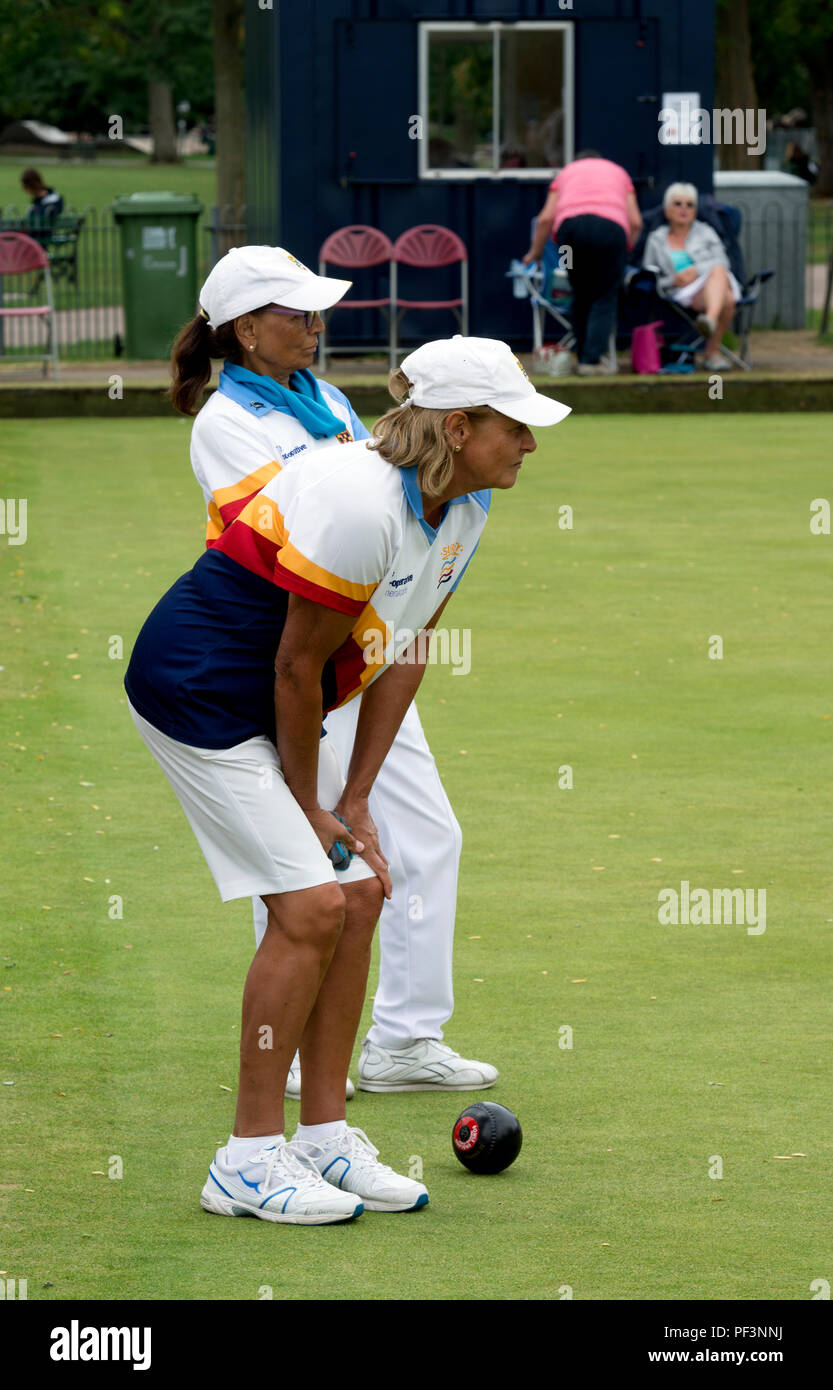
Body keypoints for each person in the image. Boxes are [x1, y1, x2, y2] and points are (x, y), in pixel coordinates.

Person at [124, 335, 571, 1224]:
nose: (529, 445)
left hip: (284, 696)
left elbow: (400, 650)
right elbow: (294, 668)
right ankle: (246, 1161)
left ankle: (323, 1140)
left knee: (361, 891)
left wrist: (356, 798)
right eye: (515, 427)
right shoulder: (358, 501)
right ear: (456, 425)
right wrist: (306, 802)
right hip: (200, 692)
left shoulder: (466, 502)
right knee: (313, 906)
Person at [170, 244, 502, 1099]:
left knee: (427, 836)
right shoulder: (224, 421)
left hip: (374, 647)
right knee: (299, 860)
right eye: (296, 312)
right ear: (246, 330)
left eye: (318, 311)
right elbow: (295, 533)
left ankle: (404, 1040)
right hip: (296, 655)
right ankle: (291, 1051)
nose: (316, 326)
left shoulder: (327, 398)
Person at [523, 150, 643, 376]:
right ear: (600, 160)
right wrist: (624, 251)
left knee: (580, 293)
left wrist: (535, 253)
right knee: (605, 296)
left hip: (570, 233)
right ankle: (591, 361)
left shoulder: (566, 173)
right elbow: (635, 222)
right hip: (611, 231)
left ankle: (582, 356)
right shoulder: (619, 173)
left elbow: (546, 219)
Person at [641, 183, 742, 371]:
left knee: (719, 270)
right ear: (667, 210)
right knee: (727, 299)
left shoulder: (706, 232)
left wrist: (696, 271)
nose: (684, 209)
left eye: (690, 205)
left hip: (710, 281)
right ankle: (712, 354)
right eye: (677, 204)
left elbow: (723, 261)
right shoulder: (656, 239)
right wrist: (673, 280)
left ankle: (710, 319)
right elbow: (648, 274)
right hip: (680, 290)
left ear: (695, 211)